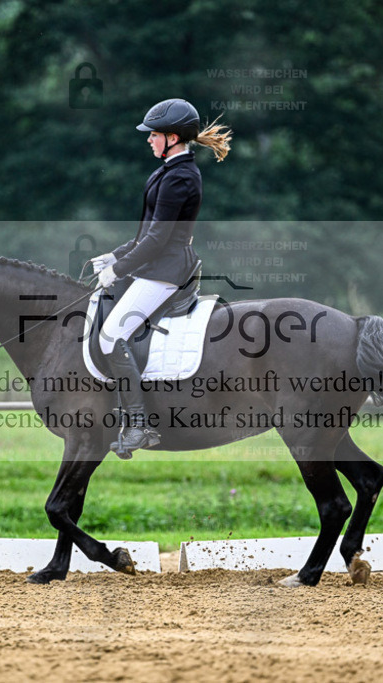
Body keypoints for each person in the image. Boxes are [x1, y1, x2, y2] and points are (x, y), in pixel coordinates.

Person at [91, 98, 232, 457]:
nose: (149, 139)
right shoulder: (168, 171)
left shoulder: (180, 177)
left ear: (172, 137)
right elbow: (145, 235)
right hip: (157, 265)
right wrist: (115, 256)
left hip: (165, 272)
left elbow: (157, 240)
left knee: (111, 337)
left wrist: (118, 270)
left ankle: (139, 426)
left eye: (154, 134)